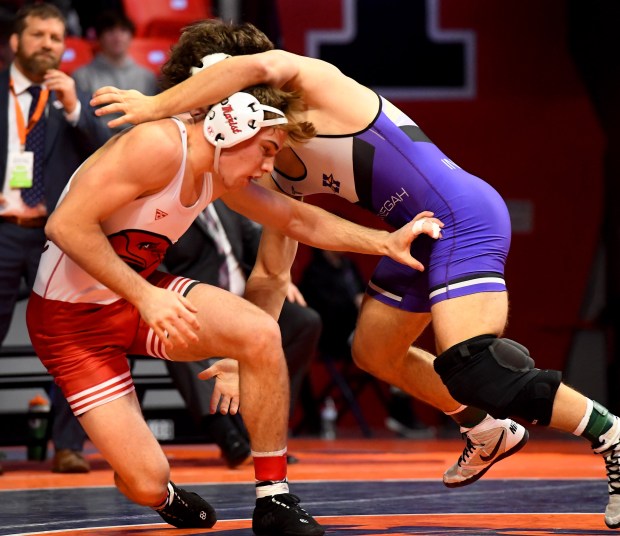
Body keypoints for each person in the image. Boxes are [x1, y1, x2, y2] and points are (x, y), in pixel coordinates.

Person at [91, 19, 620, 529]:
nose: (208, 116)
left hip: (462, 216)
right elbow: (273, 275)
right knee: (373, 351)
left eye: (206, 97)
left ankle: (611, 435)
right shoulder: (266, 161)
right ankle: (486, 429)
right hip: (413, 233)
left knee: (474, 365)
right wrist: (239, 353)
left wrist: (155, 105)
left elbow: (264, 64)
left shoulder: (317, 84)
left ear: (230, 75)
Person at [27, 80, 442, 534]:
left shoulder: (215, 171)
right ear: (230, 128)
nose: (267, 166)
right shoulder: (157, 146)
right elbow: (65, 225)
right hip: (72, 324)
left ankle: (273, 498)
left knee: (261, 332)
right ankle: (159, 494)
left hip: (139, 292)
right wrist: (145, 297)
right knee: (147, 482)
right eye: (265, 151)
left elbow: (294, 217)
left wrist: (384, 241)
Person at [0, 3, 110, 473]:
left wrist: (74, 109)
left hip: (58, 234)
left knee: (74, 337)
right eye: (39, 35)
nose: (48, 44)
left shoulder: (76, 96)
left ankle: (69, 447)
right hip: (4, 229)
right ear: (15, 43)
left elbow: (108, 153)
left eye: (57, 37)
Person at [162, 199, 321, 468]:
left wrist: (280, 278)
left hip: (244, 297)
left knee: (304, 322)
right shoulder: (165, 207)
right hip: (197, 301)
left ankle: (267, 431)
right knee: (177, 329)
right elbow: (153, 260)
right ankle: (229, 438)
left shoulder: (226, 201)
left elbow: (255, 241)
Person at [72, 10, 158, 133]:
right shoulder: (81, 75)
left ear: (131, 36)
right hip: (97, 141)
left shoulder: (147, 76)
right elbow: (83, 120)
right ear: (99, 37)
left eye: (123, 30)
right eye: (110, 31)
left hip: (141, 137)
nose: (117, 37)